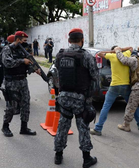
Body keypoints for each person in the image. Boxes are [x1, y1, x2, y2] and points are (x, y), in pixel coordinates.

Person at [54, 28, 98, 167]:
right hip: (81, 98)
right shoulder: (86, 56)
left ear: (69, 40)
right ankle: (86, 159)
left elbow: (57, 73)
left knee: (62, 126)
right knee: (83, 127)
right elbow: (95, 78)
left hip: (64, 97)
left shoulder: (60, 55)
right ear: (82, 40)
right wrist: (89, 97)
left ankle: (58, 155)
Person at [90, 46, 139, 136]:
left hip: (114, 86)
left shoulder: (111, 56)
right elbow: (131, 48)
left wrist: (113, 51)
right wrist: (120, 49)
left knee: (106, 107)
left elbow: (99, 54)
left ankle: (98, 128)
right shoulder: (126, 54)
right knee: (132, 105)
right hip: (126, 86)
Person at [0, 31, 40, 137]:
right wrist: (22, 61)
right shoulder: (7, 49)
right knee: (11, 107)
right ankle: (5, 126)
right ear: (18, 39)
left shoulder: (23, 51)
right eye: (24, 40)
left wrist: (34, 68)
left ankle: (24, 128)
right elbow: (7, 63)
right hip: (11, 81)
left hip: (22, 81)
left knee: (25, 104)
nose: (25, 43)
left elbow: (28, 64)